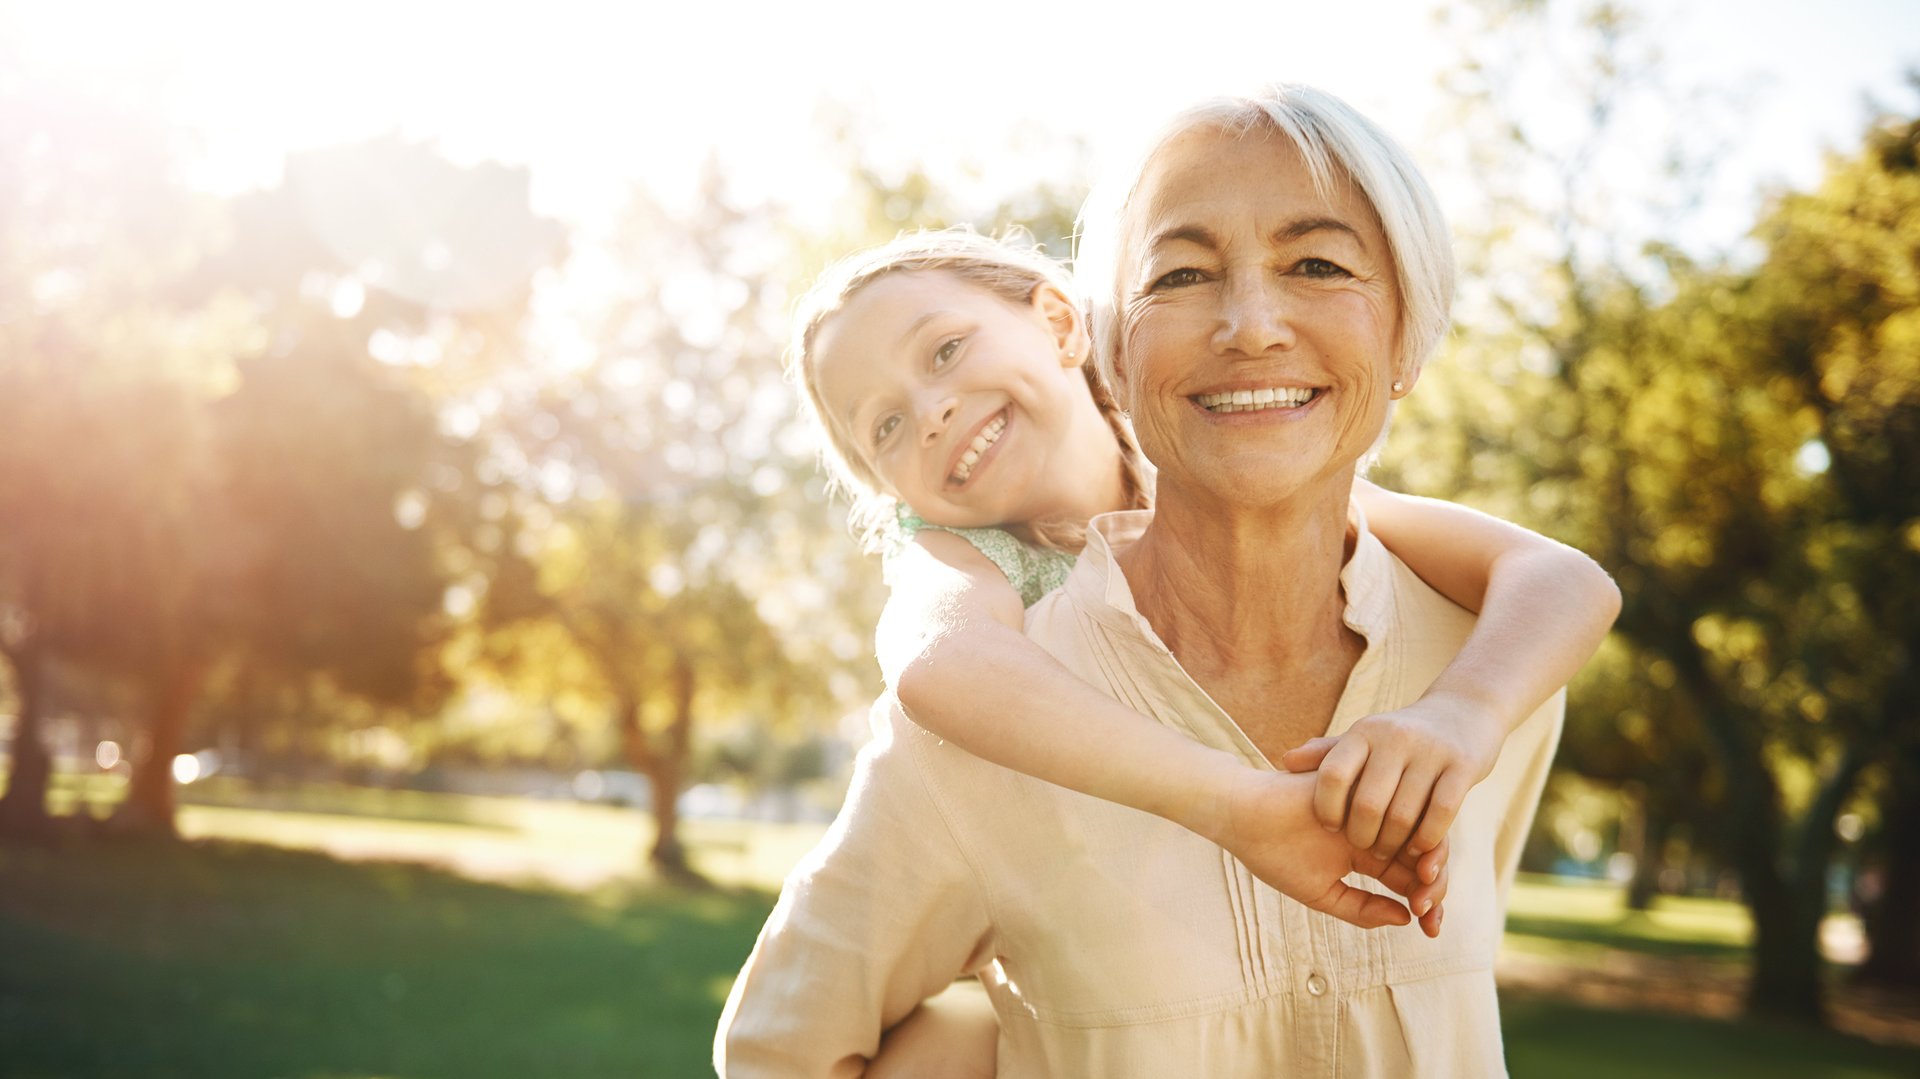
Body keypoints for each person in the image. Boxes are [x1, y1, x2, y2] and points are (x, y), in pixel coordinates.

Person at [718, 84, 1602, 1076]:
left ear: (1065, 329)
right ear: (1119, 338)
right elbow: (936, 662)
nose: (1253, 326)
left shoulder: (1479, 653)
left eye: (1317, 263)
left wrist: (1465, 712)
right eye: (1181, 274)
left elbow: (1561, 575)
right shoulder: (969, 641)